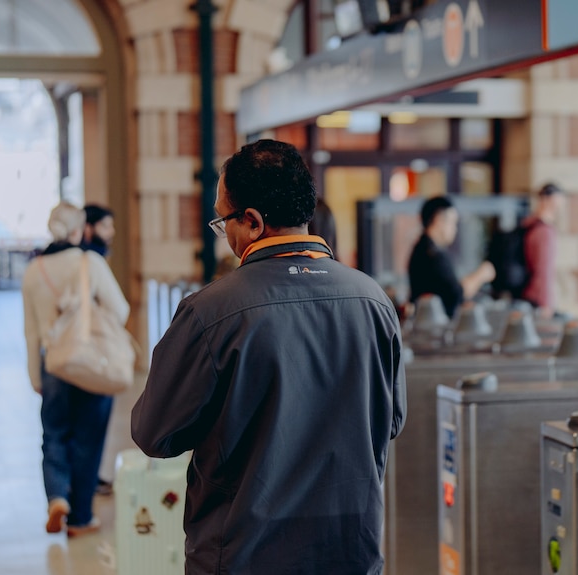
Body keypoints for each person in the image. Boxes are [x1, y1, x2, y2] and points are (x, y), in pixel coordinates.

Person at [131, 139, 406, 575]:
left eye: (223, 221)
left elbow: (154, 433)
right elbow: (391, 422)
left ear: (253, 222)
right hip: (350, 550)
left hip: (245, 553)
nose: (225, 236)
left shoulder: (210, 312)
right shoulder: (373, 301)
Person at [21, 201, 130, 537]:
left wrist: (35, 375)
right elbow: (120, 310)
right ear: (79, 230)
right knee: (88, 438)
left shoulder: (33, 270)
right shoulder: (89, 262)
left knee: (53, 435)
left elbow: (31, 331)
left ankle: (57, 497)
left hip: (52, 362)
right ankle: (81, 518)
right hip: (88, 360)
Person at [80, 203, 118, 496]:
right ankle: (86, 488)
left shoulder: (67, 259)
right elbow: (119, 309)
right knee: (93, 425)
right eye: (105, 226)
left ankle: (71, 488)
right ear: (88, 228)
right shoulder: (94, 260)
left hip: (67, 354)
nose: (111, 232)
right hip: (95, 353)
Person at [408, 196, 495, 319]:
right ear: (438, 220)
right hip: (432, 324)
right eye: (453, 222)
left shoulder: (425, 248)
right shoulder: (432, 254)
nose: (455, 229)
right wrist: (481, 275)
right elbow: (455, 294)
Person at [521, 183, 564, 315]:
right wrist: (546, 303)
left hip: (525, 293)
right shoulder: (544, 231)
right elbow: (544, 270)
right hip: (537, 298)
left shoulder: (528, 224)